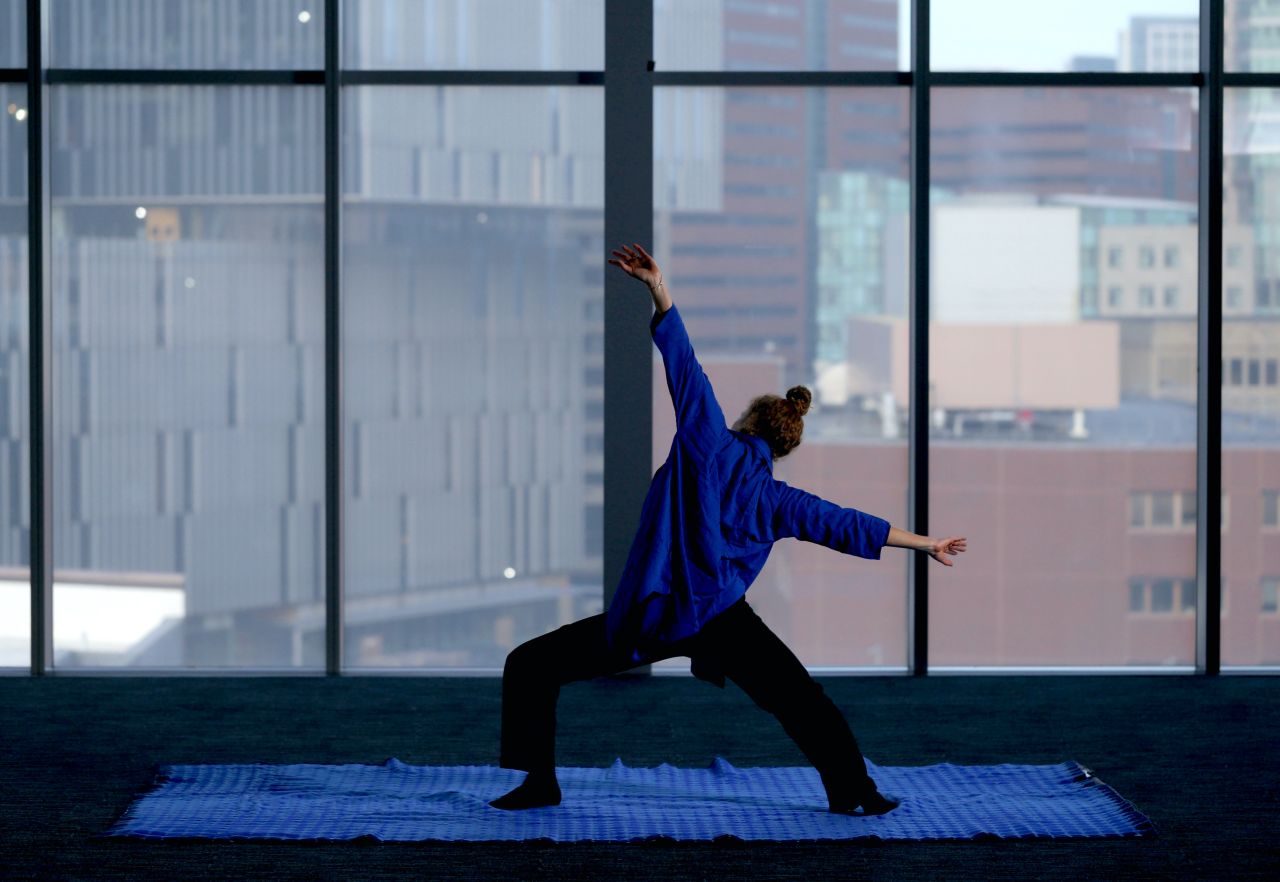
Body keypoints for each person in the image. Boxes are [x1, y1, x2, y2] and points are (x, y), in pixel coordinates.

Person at [489, 243, 967, 815]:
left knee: (530, 665)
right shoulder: (777, 497)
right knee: (801, 700)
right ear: (784, 447)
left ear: (745, 420)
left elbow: (684, 370)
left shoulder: (707, 443)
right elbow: (845, 525)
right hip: (720, 620)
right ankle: (854, 792)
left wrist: (658, 287)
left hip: (655, 611)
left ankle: (539, 783)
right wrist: (927, 543)